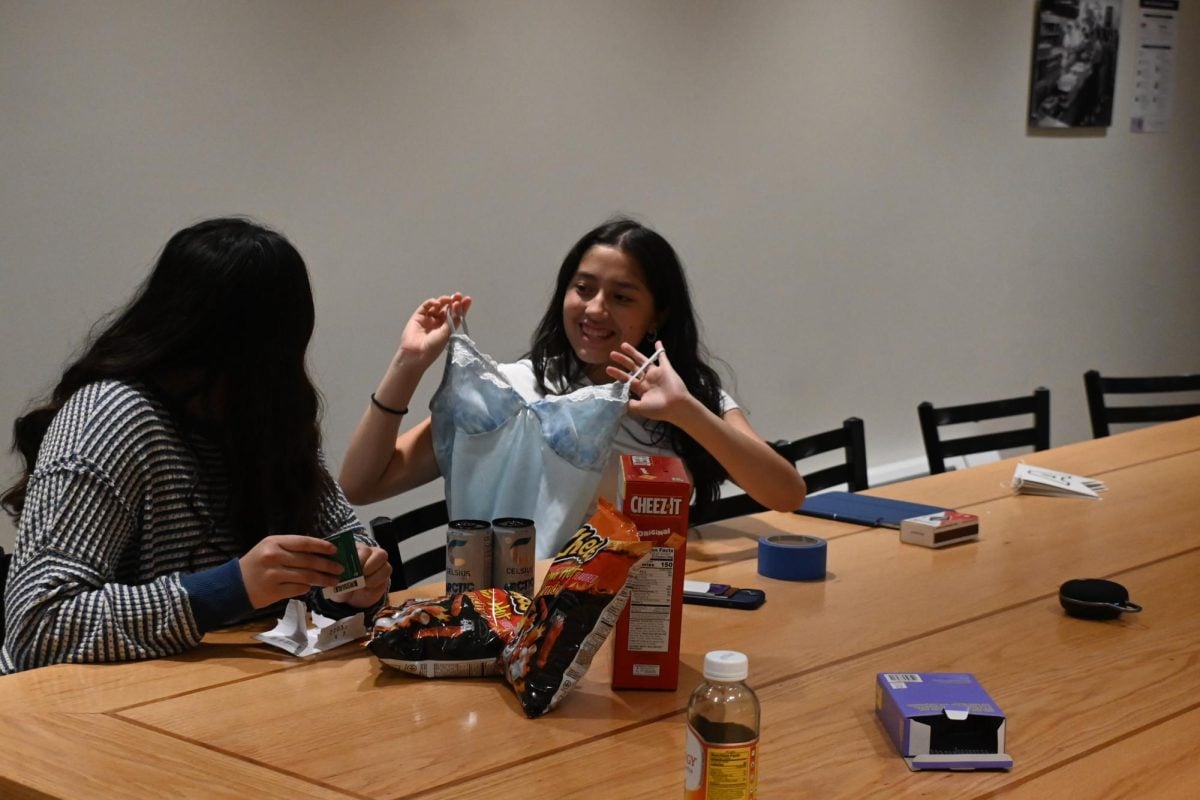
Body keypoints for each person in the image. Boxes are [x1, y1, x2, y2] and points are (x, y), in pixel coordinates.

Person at [0, 218, 390, 674]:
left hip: (227, 698)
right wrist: (230, 588)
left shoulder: (269, 419)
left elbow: (345, 538)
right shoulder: (110, 416)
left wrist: (354, 579)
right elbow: (37, 625)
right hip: (88, 717)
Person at [339, 217, 806, 553]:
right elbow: (362, 484)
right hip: (527, 616)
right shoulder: (513, 393)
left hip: (651, 613)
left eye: (621, 297)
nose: (595, 309)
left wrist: (685, 411)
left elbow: (786, 494)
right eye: (583, 288)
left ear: (657, 315)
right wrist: (407, 364)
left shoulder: (689, 396)